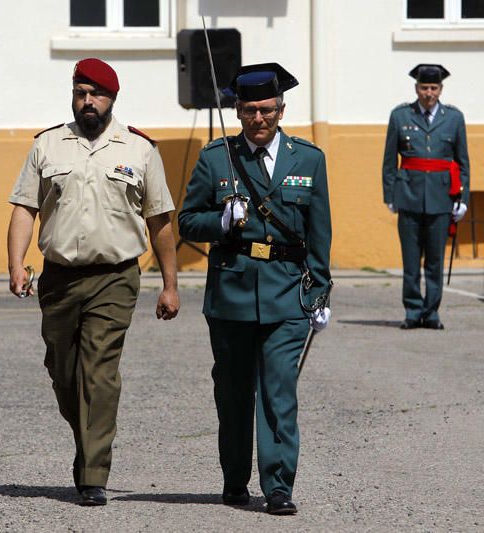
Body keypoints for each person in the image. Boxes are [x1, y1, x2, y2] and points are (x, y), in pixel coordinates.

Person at [6, 58, 180, 506]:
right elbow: (25, 207)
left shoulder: (139, 150)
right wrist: (16, 264)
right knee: (64, 374)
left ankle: (93, 474)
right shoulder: (48, 145)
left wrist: (169, 284)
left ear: (112, 100)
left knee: (99, 374)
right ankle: (88, 443)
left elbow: (160, 219)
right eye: (81, 92)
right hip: (59, 278)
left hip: (115, 277)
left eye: (96, 94)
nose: (88, 101)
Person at [178, 63, 332, 515]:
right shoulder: (216, 158)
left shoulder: (309, 159)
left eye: (266, 110)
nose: (258, 120)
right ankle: (233, 480)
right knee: (232, 392)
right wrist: (221, 222)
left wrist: (320, 292)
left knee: (279, 391)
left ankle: (279, 485)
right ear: (238, 111)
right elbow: (188, 221)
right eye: (248, 111)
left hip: (287, 292)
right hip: (232, 293)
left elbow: (319, 231)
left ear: (281, 110)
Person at [382, 64, 470, 330]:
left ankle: (431, 313)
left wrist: (462, 198)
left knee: (434, 261)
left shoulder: (454, 118)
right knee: (411, 263)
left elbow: (463, 161)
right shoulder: (400, 116)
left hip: (442, 198)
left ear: (441, 89)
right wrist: (390, 194)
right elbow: (389, 160)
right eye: (424, 88)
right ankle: (412, 311)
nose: (428, 93)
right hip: (408, 195)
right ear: (416, 88)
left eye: (433, 88)